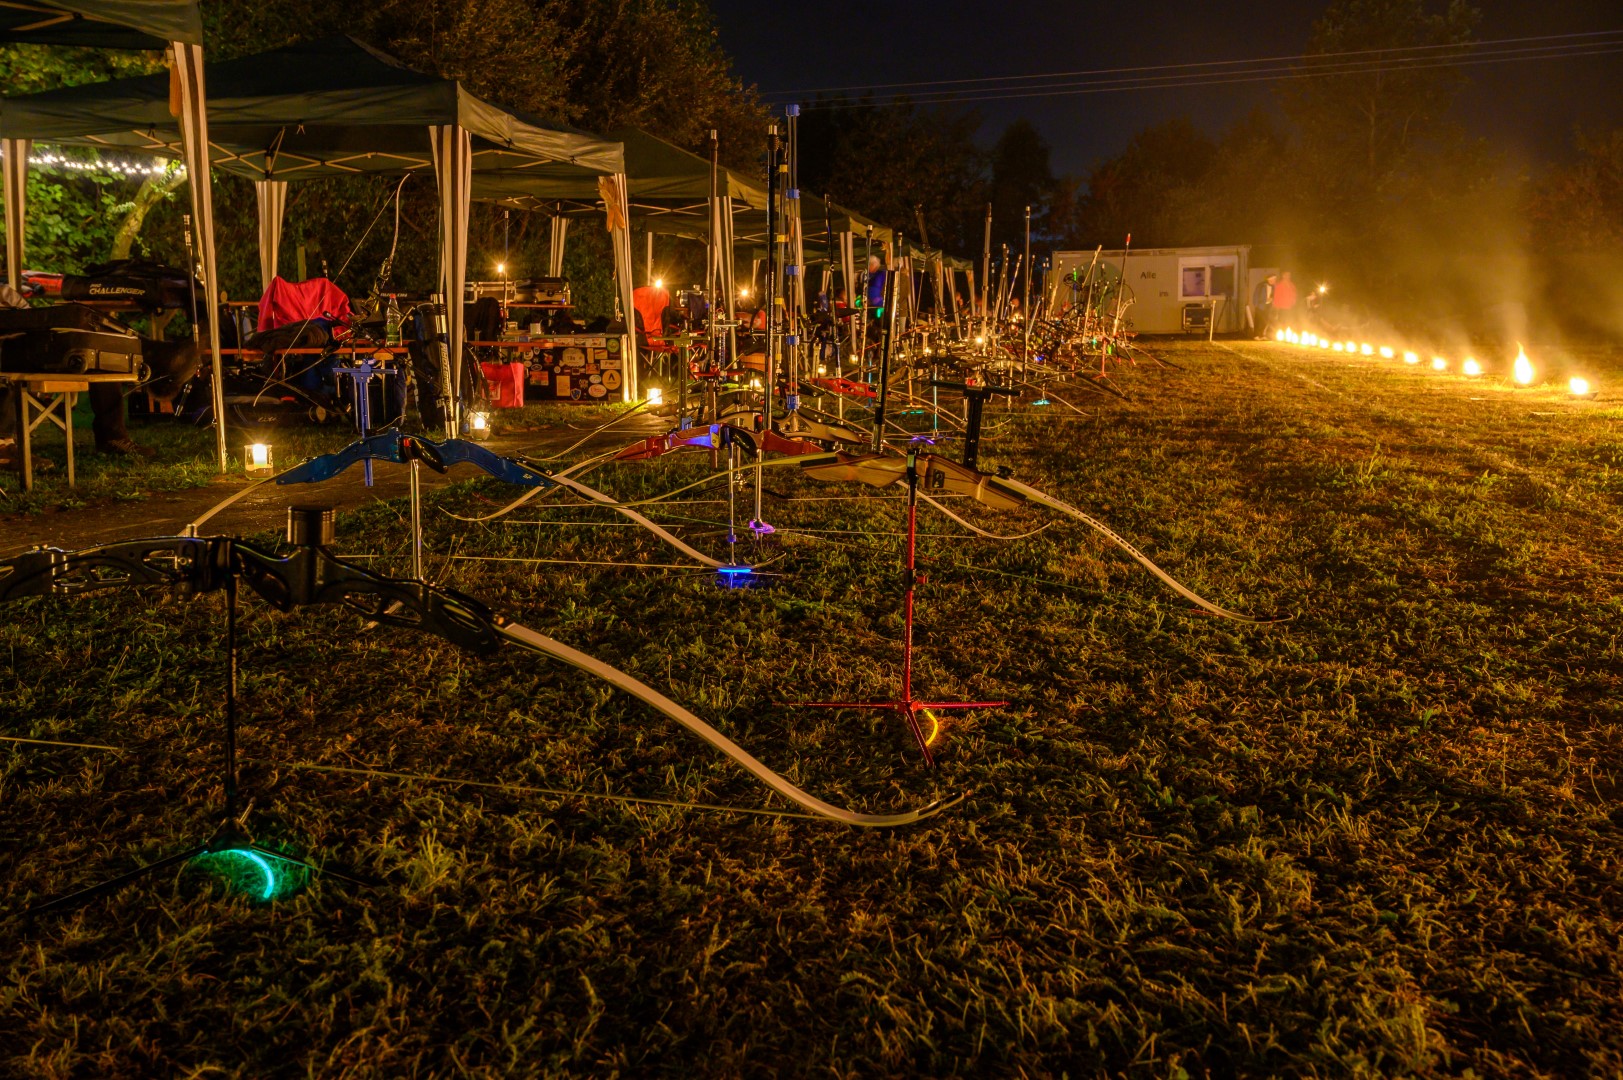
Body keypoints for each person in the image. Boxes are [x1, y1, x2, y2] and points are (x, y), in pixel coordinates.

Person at [1251, 272, 1276, 339]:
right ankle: (1256, 335)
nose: (1275, 281)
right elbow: (1256, 295)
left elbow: (1272, 295)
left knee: (1265, 321)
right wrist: (1256, 305)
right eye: (1274, 279)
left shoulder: (1273, 287)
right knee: (1258, 320)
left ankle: (1262, 335)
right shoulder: (1261, 285)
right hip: (1260, 306)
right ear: (1269, 279)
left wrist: (1271, 299)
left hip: (1268, 306)